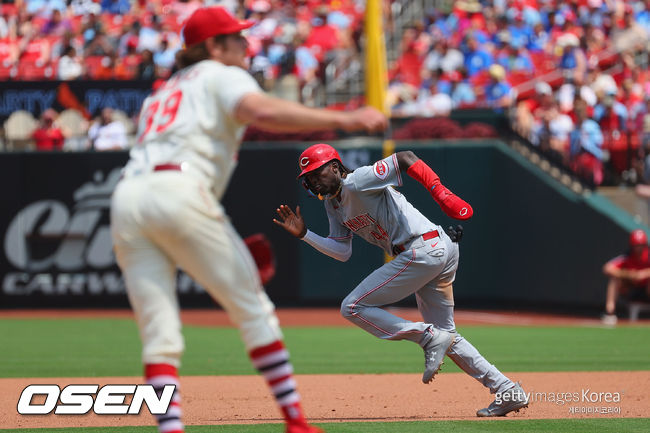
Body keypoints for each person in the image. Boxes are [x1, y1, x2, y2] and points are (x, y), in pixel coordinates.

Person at [110, 7, 386, 433]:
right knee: (254, 310)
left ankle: (170, 428)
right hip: (180, 191)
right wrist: (343, 119)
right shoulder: (218, 72)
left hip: (127, 199)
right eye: (237, 39)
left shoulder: (162, 92)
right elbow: (261, 111)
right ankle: (296, 422)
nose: (246, 45)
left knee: (159, 330)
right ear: (214, 47)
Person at [273, 143, 529, 417]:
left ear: (335, 167)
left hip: (422, 250)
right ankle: (506, 390)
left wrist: (441, 194)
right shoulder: (334, 206)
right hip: (432, 250)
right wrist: (305, 235)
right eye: (308, 178)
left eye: (316, 173)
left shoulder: (357, 180)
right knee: (449, 338)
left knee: (352, 307)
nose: (313, 180)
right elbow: (342, 251)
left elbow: (406, 158)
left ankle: (427, 336)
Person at [602, 229, 650, 326]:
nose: (639, 248)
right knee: (614, 279)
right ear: (632, 246)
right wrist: (628, 274)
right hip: (631, 291)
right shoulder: (627, 256)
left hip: (646, 291)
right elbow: (607, 268)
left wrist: (643, 274)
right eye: (636, 245)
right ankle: (610, 313)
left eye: (641, 245)